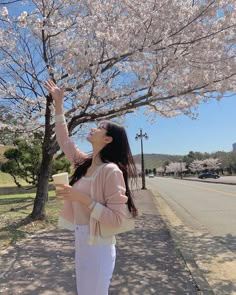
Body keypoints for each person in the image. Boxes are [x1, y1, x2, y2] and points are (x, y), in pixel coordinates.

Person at [44, 80, 138, 295]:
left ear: (107, 139)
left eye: (100, 128)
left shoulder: (110, 171)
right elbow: (64, 140)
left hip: (99, 246)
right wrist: (58, 104)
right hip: (81, 239)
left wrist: (80, 197)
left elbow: (116, 219)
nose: (93, 128)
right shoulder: (84, 163)